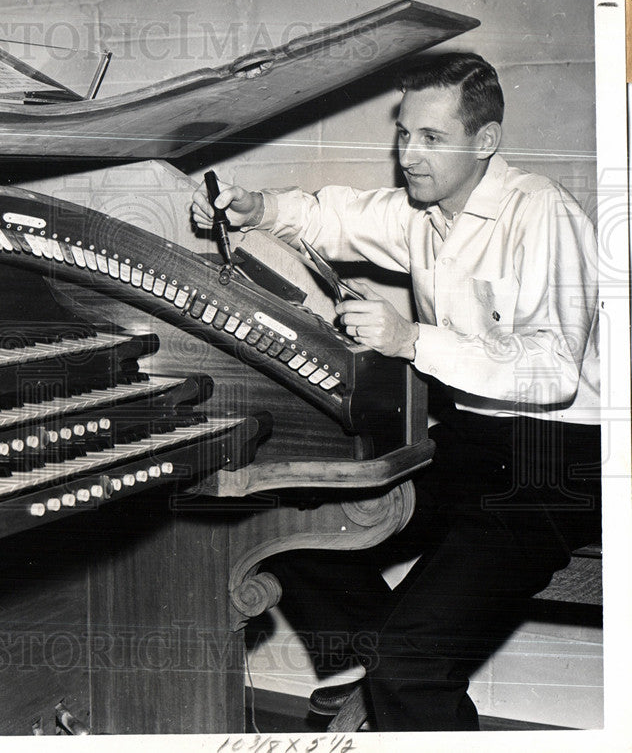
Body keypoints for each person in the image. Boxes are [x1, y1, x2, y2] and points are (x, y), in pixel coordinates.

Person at [190, 53, 601, 732]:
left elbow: (552, 372)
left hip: (557, 460)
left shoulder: (542, 214)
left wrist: (411, 340)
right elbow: (333, 216)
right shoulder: (426, 209)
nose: (409, 154)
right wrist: (259, 208)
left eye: (432, 138)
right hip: (473, 442)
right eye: (404, 134)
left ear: (486, 141)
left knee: (410, 663)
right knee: (286, 523)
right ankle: (370, 654)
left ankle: (391, 664)